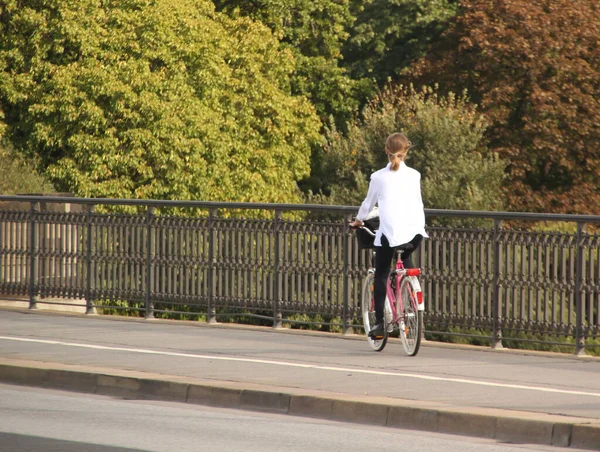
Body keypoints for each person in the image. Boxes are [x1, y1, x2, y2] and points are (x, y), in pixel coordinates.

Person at [349, 132, 428, 339]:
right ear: (406, 151)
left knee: (382, 272)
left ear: (386, 150)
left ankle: (380, 324)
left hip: (390, 233)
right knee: (407, 263)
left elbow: (368, 204)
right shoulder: (415, 175)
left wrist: (358, 220)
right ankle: (414, 304)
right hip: (415, 232)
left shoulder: (378, 177)